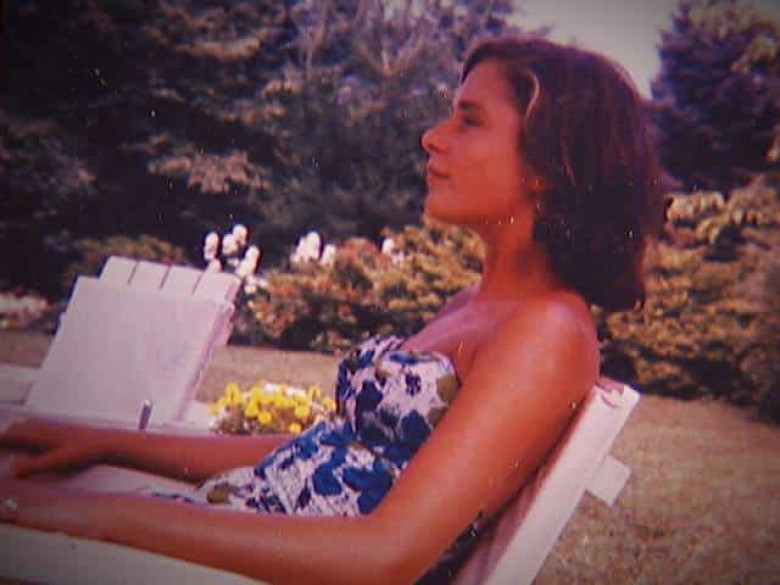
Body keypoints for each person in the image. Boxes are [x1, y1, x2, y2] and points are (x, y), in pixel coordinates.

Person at [0, 36, 665, 584]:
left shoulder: (547, 330)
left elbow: (384, 555)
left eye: (470, 120)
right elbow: (329, 451)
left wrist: (85, 514)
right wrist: (108, 442)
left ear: (547, 162)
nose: (432, 138)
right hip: (233, 533)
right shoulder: (478, 305)